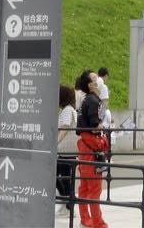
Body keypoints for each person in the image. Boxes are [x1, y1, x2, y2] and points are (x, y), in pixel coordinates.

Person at [74, 73, 109, 228]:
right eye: (96, 80)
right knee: (95, 189)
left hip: (84, 147)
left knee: (84, 187)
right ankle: (98, 223)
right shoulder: (94, 101)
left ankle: (85, 219)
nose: (99, 82)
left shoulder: (85, 101)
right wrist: (103, 129)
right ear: (90, 85)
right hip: (93, 148)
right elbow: (95, 126)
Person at [55, 85, 78, 214]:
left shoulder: (68, 110)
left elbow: (65, 127)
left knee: (63, 177)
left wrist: (56, 143)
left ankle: (68, 205)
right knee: (61, 176)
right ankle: (66, 203)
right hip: (66, 150)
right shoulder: (67, 109)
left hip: (65, 150)